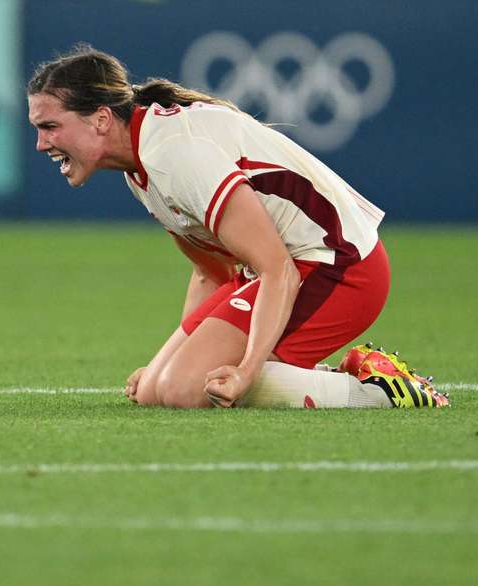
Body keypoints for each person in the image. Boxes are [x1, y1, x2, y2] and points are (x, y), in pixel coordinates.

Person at [26, 44, 448, 409]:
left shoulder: (173, 155)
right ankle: (240, 375)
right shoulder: (140, 163)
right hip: (291, 270)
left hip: (341, 268)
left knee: (186, 388)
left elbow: (277, 269)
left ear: (100, 119)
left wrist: (245, 372)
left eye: (50, 127)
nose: (41, 143)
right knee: (158, 390)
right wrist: (173, 364)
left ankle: (379, 389)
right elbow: (211, 272)